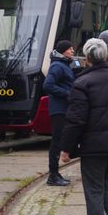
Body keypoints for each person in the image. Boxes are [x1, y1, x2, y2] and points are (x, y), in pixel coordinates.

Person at [60, 38, 108, 215]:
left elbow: (75, 119)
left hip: (93, 145)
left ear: (87, 57)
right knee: (104, 183)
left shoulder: (82, 83)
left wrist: (66, 148)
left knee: (94, 188)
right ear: (106, 56)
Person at [43, 40, 76, 186]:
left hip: (63, 108)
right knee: (56, 142)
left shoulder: (64, 64)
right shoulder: (57, 66)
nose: (73, 51)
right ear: (63, 51)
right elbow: (48, 85)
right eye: (70, 49)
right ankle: (53, 175)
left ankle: (55, 173)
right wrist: (67, 94)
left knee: (60, 140)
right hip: (59, 109)